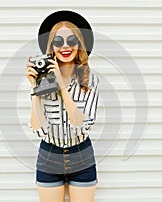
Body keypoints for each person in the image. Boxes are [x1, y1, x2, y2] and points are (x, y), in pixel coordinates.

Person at [25, 10, 99, 202]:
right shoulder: (43, 80)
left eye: (71, 40)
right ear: (51, 46)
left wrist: (60, 83)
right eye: (58, 42)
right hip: (49, 156)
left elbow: (81, 124)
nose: (65, 46)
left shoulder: (90, 79)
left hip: (81, 155)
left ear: (79, 44)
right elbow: (38, 127)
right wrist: (34, 88)